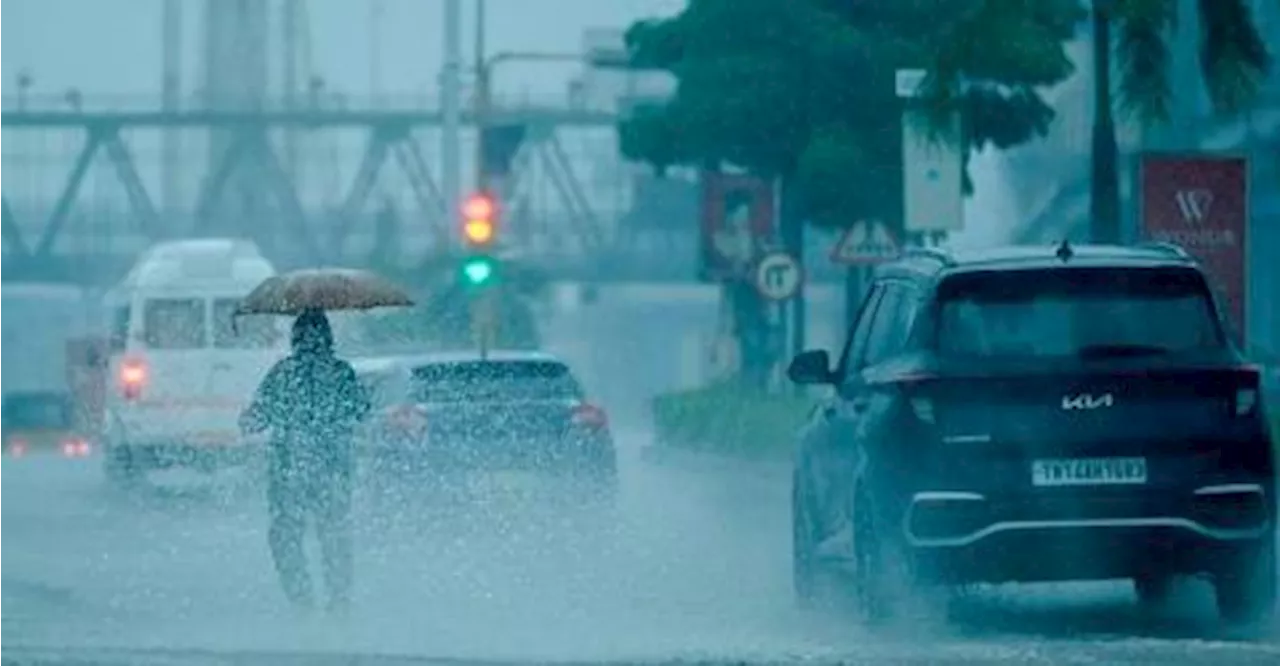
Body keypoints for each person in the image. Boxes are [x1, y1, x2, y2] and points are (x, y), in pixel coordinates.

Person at [239, 308, 370, 613]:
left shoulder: (282, 374)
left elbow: (254, 420)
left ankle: (302, 601)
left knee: (286, 539)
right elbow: (362, 410)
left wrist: (250, 418)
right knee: (334, 537)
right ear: (329, 338)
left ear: (294, 338)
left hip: (288, 472)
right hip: (333, 469)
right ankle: (338, 601)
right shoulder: (341, 372)